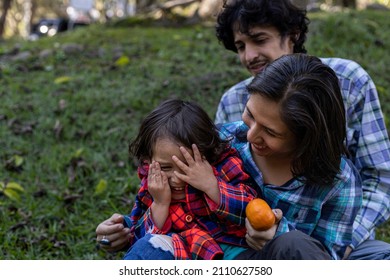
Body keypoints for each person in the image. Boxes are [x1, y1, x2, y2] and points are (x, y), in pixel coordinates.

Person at [214, 0, 390, 260]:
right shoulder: (233, 101)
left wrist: (339, 247)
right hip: (249, 236)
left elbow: (380, 179)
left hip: (337, 232)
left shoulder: (349, 81)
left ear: (292, 35)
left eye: (259, 40)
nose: (249, 56)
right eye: (241, 46)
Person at [99, 98, 259, 260]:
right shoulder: (154, 180)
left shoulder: (224, 166)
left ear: (208, 154)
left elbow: (250, 211)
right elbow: (139, 238)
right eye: (166, 167)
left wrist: (211, 185)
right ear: (148, 160)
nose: (177, 179)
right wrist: (160, 203)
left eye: (187, 166)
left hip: (231, 253)